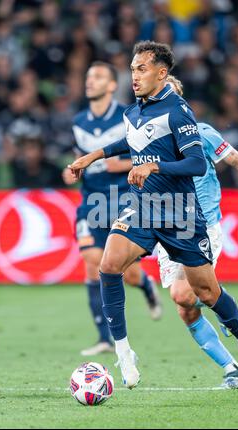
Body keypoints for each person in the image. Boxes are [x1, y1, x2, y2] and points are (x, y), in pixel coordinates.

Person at [68, 41, 238, 390]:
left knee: (206, 294)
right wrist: (93, 156)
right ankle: (124, 353)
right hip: (142, 207)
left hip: (181, 215)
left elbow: (194, 163)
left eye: (142, 68)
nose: (134, 75)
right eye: (132, 68)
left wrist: (153, 165)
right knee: (109, 264)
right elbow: (129, 143)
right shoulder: (134, 112)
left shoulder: (179, 111)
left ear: (162, 73)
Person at [158, 75, 238, 387]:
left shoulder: (202, 135)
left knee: (183, 293)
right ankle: (230, 368)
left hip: (202, 227)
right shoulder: (150, 142)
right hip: (167, 228)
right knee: (185, 308)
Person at [63, 61, 162, 357]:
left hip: (123, 200)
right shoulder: (78, 120)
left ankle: (145, 286)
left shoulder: (127, 116)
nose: (89, 81)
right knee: (92, 261)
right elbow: (78, 157)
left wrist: (125, 164)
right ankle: (105, 338)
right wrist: (70, 172)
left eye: (97, 77)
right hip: (91, 201)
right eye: (88, 76)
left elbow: (151, 154)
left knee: (125, 273)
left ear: (110, 85)